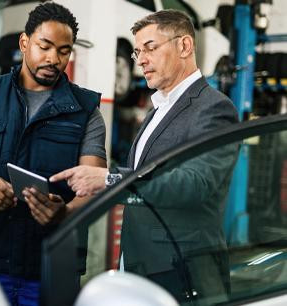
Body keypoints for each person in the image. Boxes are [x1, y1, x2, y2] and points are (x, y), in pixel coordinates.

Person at [50, 9, 239, 303]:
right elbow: (142, 180)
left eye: (150, 48)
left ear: (185, 46)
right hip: (140, 263)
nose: (141, 60)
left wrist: (110, 178)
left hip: (182, 269)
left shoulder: (214, 108)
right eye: (137, 51)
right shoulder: (157, 111)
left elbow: (195, 184)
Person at [0, 2, 107, 305]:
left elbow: (94, 187)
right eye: (44, 46)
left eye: (63, 51)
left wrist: (66, 214)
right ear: (24, 42)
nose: (53, 59)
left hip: (51, 265)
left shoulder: (87, 112)